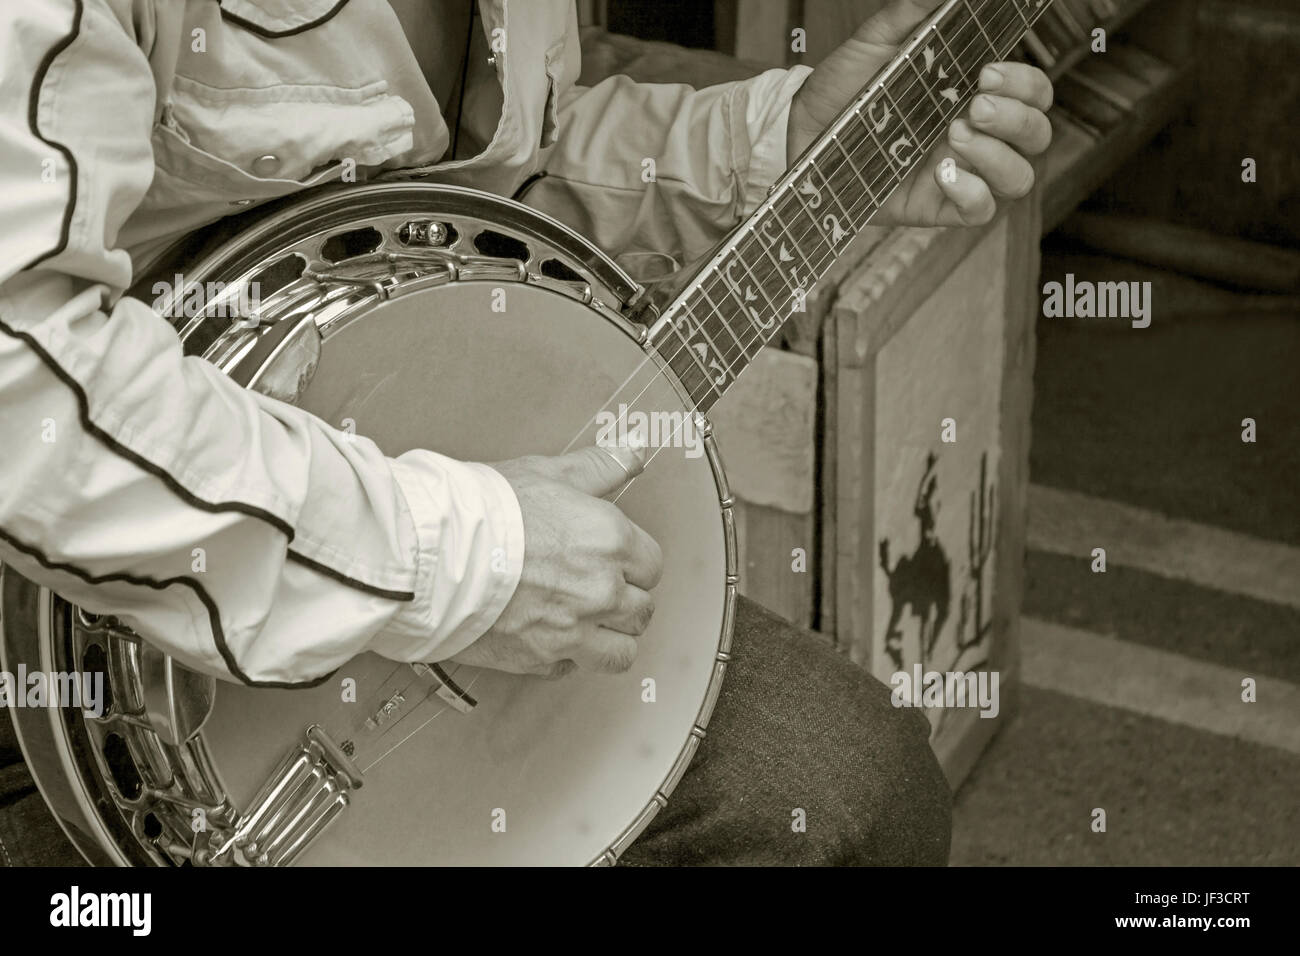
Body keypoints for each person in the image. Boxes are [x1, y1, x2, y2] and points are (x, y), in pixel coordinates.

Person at [0, 0, 1053, 866]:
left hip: (423, 516)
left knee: (849, 796)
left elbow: (466, 197)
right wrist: (464, 561)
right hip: (64, 649)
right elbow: (24, 384)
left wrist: (776, 148)